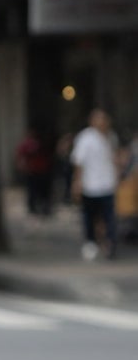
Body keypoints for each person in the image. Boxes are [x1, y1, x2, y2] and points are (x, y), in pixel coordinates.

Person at [71, 107, 120, 259]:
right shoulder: (85, 138)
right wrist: (77, 182)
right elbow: (78, 162)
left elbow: (115, 159)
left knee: (109, 217)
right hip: (90, 185)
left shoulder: (111, 137)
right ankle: (90, 242)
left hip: (108, 184)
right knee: (90, 216)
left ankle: (109, 243)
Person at [14, 127, 53, 218]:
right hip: (31, 171)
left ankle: (44, 207)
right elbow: (20, 155)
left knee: (43, 191)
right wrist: (21, 166)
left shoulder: (42, 143)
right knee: (32, 191)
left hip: (43, 171)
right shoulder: (26, 144)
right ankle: (32, 208)